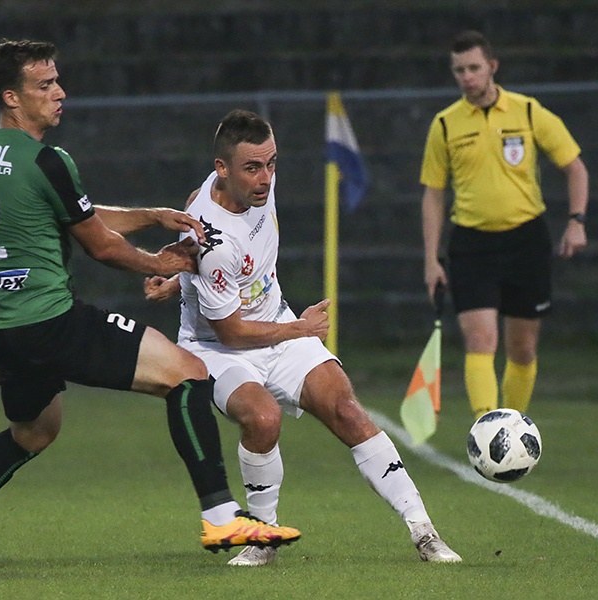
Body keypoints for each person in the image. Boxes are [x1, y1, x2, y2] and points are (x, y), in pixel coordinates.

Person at [0, 39, 300, 575]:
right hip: (50, 320)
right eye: (44, 85)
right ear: (12, 97)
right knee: (188, 373)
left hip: (2, 323)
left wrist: (152, 214)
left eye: (57, 81)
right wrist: (162, 265)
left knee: (33, 433)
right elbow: (99, 244)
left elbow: (75, 214)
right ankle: (222, 514)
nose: (59, 92)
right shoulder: (50, 159)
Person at [145, 109, 461, 567]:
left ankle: (424, 532)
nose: (266, 178)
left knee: (348, 410)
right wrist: (300, 328)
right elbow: (229, 329)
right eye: (253, 168)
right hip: (217, 348)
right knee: (263, 417)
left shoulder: (242, 186)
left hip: (275, 321)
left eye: (272, 163)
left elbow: (200, 204)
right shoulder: (211, 241)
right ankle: (262, 539)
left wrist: (182, 279)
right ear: (223, 168)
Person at [419, 30, 589, 420]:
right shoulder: (445, 125)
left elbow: (575, 167)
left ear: (492, 67)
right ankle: (487, 427)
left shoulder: (528, 112)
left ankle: (512, 427)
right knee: (480, 340)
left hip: (525, 240)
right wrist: (431, 259)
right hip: (472, 244)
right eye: (459, 70)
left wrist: (577, 220)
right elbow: (432, 194)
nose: (467, 77)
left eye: (474, 68)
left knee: (523, 350)